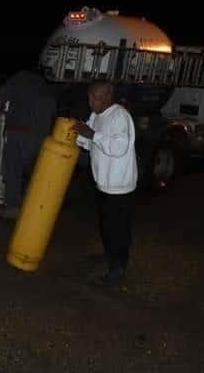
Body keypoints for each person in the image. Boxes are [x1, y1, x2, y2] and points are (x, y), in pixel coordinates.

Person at [72, 81, 138, 286]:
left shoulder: (120, 116)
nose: (90, 102)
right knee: (107, 225)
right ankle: (111, 253)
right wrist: (80, 136)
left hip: (119, 186)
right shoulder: (97, 115)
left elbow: (119, 147)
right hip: (103, 183)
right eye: (89, 97)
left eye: (95, 97)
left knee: (118, 228)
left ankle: (118, 266)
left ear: (108, 97)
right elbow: (92, 143)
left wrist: (91, 134)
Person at [0, 69, 57, 219]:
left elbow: (3, 95)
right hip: (38, 135)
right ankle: (35, 209)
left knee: (13, 170)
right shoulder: (49, 85)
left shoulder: (19, 77)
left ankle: (13, 208)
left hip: (17, 131)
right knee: (35, 172)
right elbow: (53, 111)